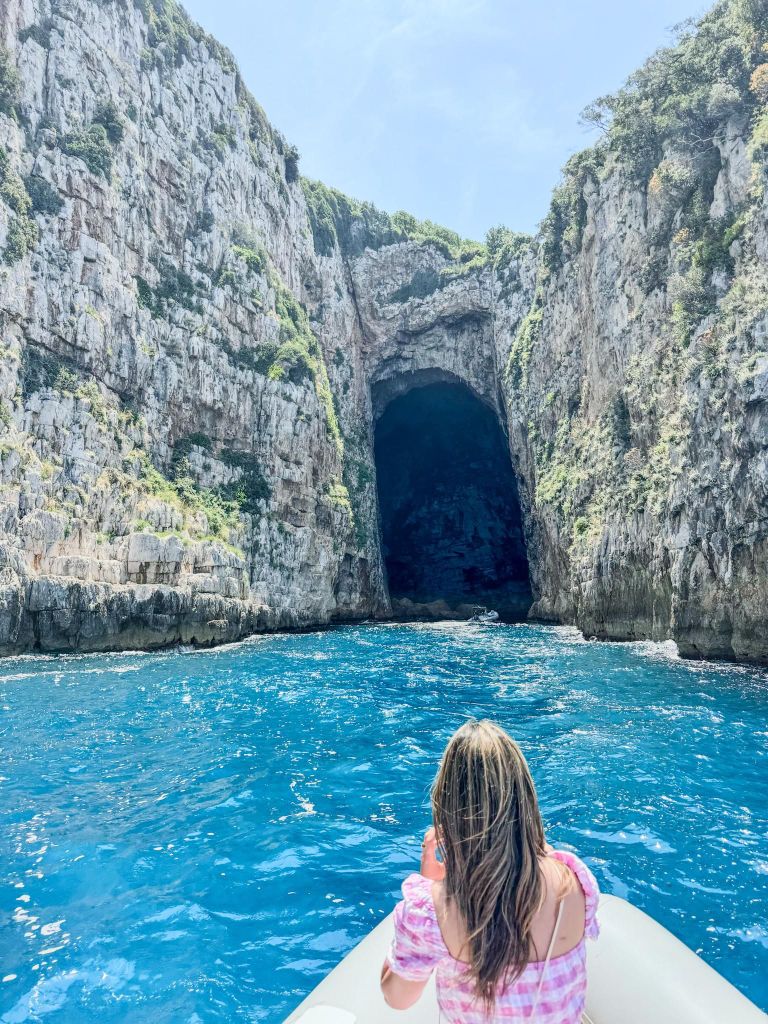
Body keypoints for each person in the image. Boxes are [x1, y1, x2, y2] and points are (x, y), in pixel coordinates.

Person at [380, 719, 600, 1022]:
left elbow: (397, 998)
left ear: (447, 809)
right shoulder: (575, 881)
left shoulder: (432, 912)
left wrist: (432, 888)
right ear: (525, 800)